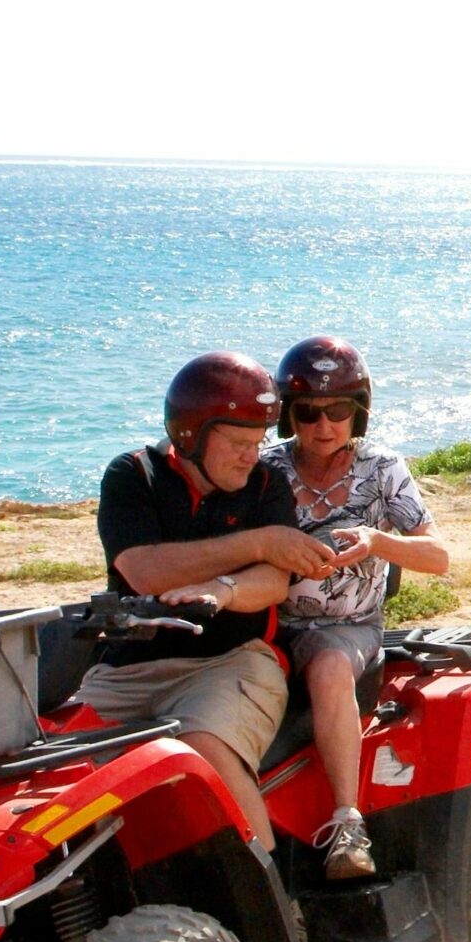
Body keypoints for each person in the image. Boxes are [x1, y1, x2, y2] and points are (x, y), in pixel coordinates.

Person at [71, 352, 336, 843]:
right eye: (237, 442)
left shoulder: (265, 484)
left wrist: (223, 589)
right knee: (58, 770)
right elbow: (144, 569)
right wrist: (258, 543)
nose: (250, 456)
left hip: (231, 662)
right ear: (190, 434)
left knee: (203, 750)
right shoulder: (134, 476)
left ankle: (273, 907)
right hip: (125, 670)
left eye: (257, 443)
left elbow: (274, 582)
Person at [265, 336, 457, 878]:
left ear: (360, 412)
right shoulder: (267, 472)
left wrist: (376, 542)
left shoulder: (382, 470)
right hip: (268, 621)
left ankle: (348, 824)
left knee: (327, 670)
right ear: (288, 415)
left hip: (346, 627)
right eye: (308, 412)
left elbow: (438, 556)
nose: (324, 425)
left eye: (339, 411)